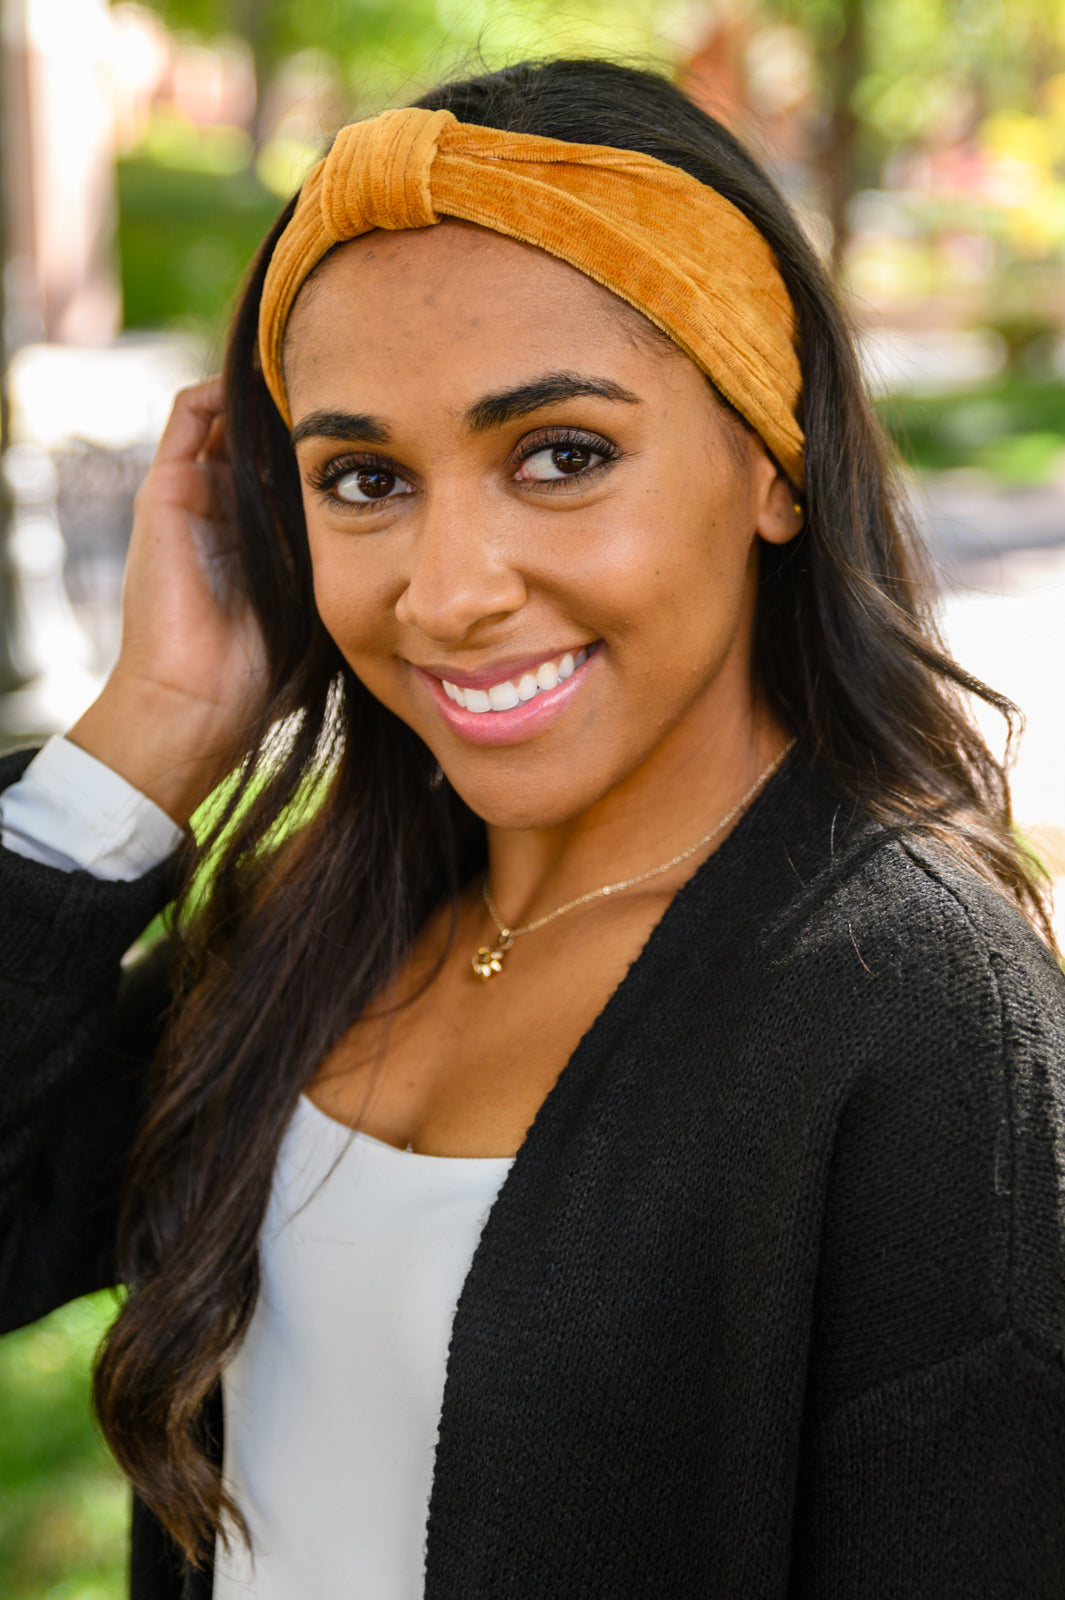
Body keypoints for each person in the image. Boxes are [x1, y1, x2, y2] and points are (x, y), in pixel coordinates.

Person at [2, 55, 1064, 1600]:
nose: (447, 592)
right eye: (364, 478)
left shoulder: (912, 1010)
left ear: (771, 460)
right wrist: (146, 735)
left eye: (560, 455)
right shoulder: (320, 923)